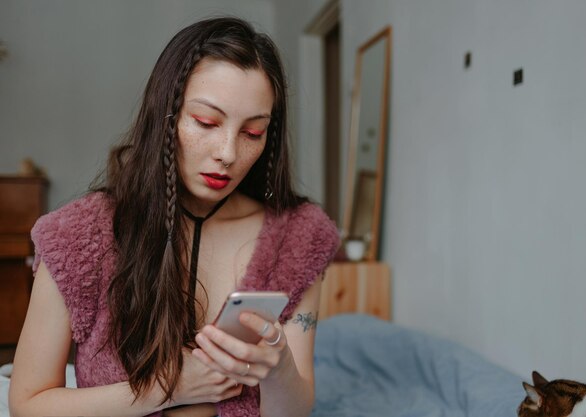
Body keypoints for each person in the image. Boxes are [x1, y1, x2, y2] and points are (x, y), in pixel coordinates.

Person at [9, 17, 339, 417]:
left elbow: (293, 409)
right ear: (165, 115)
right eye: (206, 122)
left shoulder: (299, 237)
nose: (229, 153)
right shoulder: (77, 235)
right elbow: (29, 405)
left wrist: (279, 367)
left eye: (253, 133)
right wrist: (168, 389)